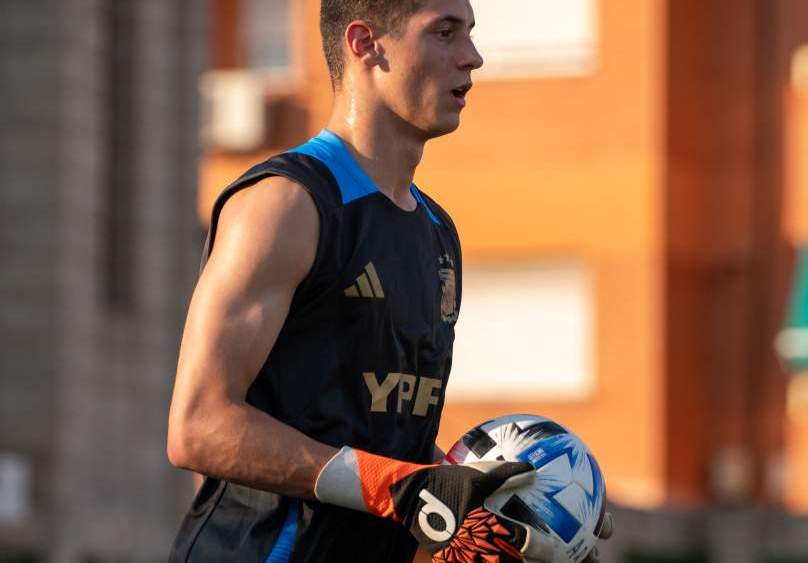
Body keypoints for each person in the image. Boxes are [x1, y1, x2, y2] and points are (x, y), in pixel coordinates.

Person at [166, 1, 612, 562]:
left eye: (470, 34)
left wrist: (522, 518)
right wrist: (398, 487)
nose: (472, 57)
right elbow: (199, 425)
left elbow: (388, 449)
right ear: (364, 43)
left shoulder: (436, 232)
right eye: (445, 33)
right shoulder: (287, 204)